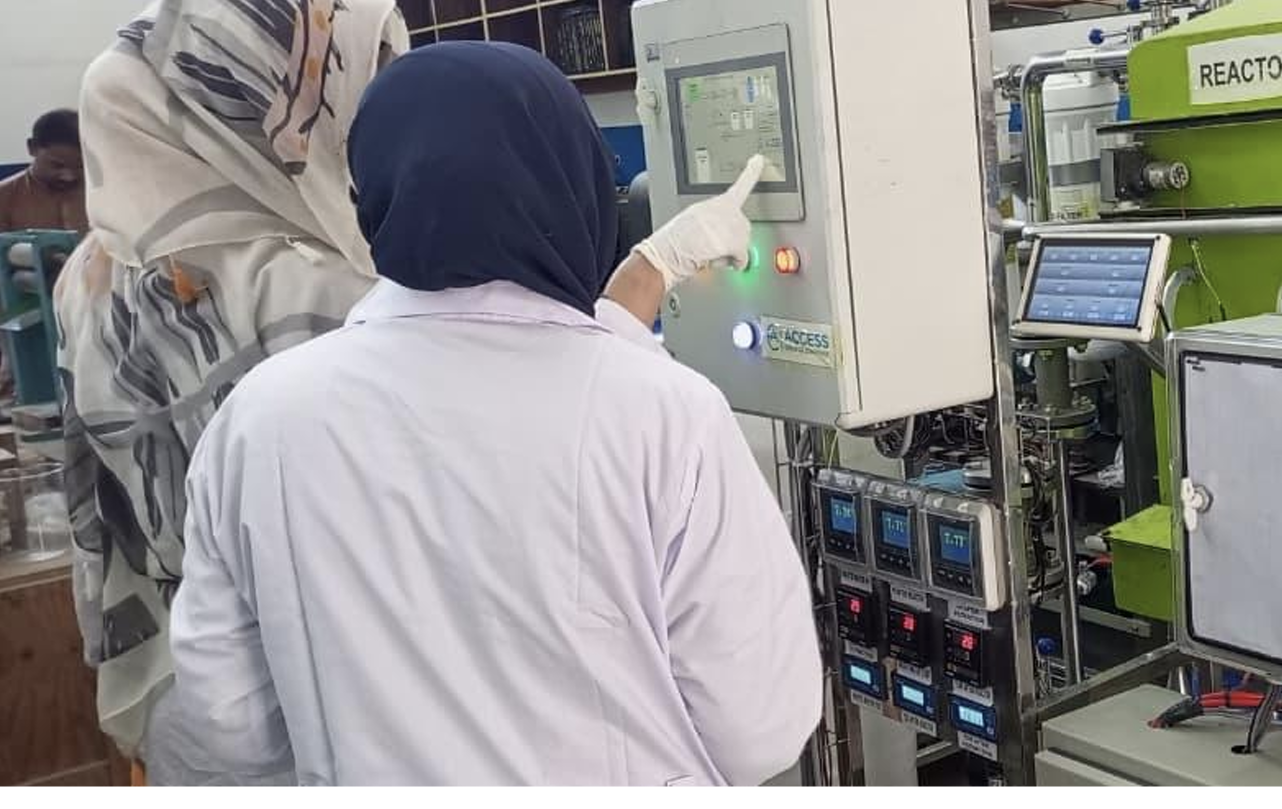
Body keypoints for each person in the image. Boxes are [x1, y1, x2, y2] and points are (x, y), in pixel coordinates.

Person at [162, 41, 821, 785]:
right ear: (580, 188)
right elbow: (759, 732)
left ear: (369, 201)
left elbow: (230, 726)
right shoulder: (668, 417)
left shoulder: (259, 419)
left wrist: (646, 277)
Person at [53, 0, 409, 768]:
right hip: (318, 705)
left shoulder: (93, 267)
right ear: (272, 102)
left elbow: (86, 486)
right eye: (357, 84)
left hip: (175, 683)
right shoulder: (304, 285)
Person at [0, 108, 86, 326]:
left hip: (99, 323)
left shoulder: (102, 195)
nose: (69, 176)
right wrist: (9, 342)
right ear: (32, 148)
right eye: (57, 165)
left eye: (80, 166)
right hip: (33, 324)